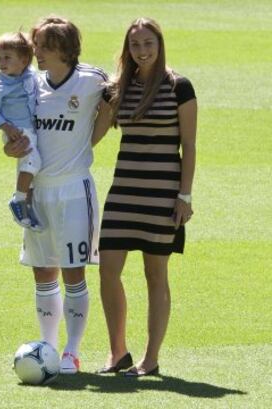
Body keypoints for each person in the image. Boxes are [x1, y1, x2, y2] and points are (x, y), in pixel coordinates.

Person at [4, 16, 108, 374]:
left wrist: (91, 139)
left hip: (74, 191)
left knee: (73, 273)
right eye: (36, 45)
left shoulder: (92, 80)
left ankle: (72, 351)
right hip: (36, 192)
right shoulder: (30, 84)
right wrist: (10, 147)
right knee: (42, 271)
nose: (36, 53)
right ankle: (47, 345)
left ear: (65, 48)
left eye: (44, 46)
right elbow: (19, 131)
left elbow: (119, 95)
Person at [94, 17, 197, 376]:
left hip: (162, 193)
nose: (143, 51)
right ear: (127, 49)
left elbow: (189, 144)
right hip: (123, 190)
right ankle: (117, 352)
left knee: (155, 275)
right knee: (107, 270)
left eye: (148, 43)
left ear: (160, 43)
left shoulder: (179, 86)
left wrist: (184, 195)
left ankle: (150, 359)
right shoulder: (117, 87)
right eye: (136, 45)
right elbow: (95, 135)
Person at [0, 31, 42, 230]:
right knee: (33, 161)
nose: (1, 62)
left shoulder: (31, 74)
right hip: (17, 131)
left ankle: (27, 206)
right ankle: (18, 200)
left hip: (31, 128)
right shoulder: (0, 85)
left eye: (7, 57)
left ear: (24, 60)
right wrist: (7, 127)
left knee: (30, 170)